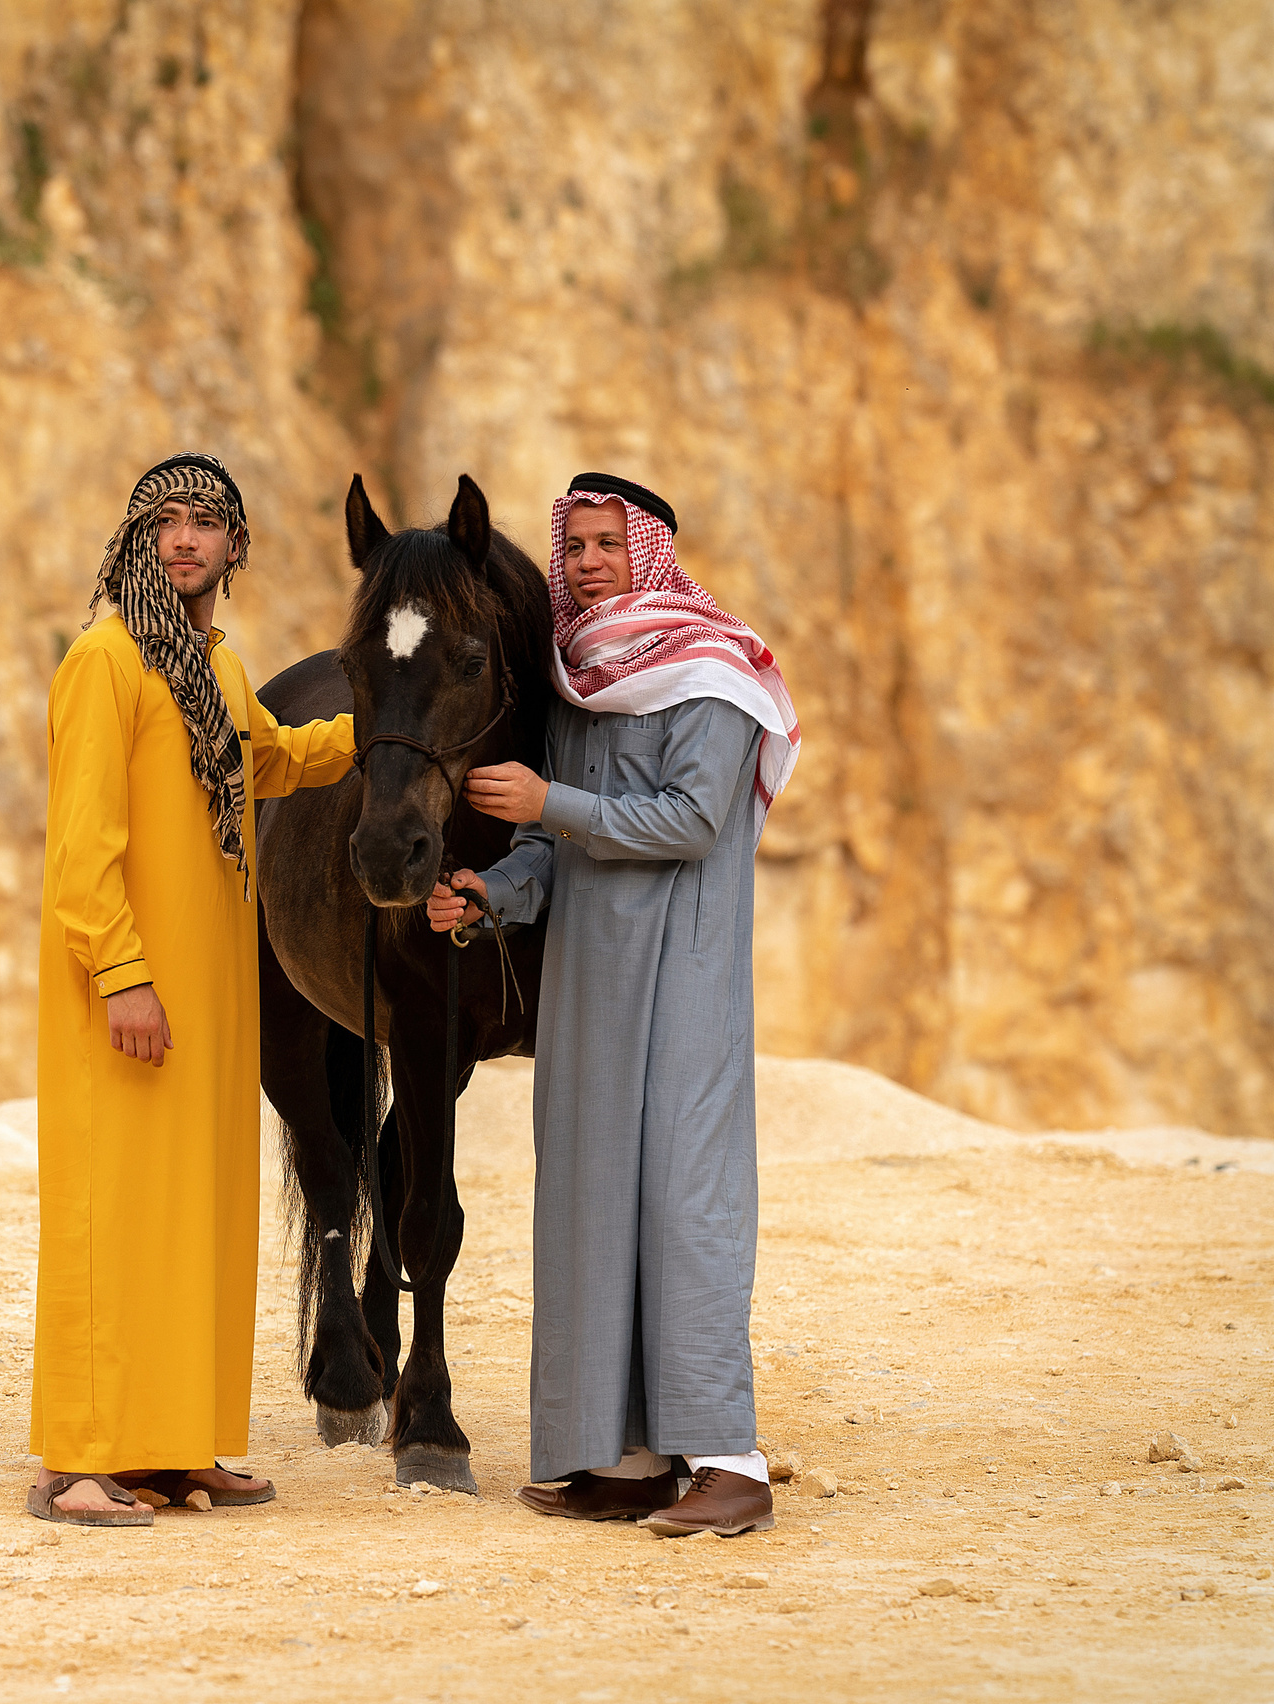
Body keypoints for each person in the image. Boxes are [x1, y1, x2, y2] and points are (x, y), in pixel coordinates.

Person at [426, 473, 802, 1539]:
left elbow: (687, 820)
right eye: (574, 546)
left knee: (684, 1204)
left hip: (678, 981)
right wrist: (492, 893)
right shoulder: (577, 675)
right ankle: (630, 1460)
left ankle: (729, 1461)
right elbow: (553, 846)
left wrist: (550, 801)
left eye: (606, 543)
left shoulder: (713, 669)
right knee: (593, 1211)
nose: (588, 561)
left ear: (649, 549)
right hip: (585, 991)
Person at [28, 453, 359, 1526]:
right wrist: (122, 974)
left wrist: (392, 726)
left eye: (205, 523)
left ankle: (173, 1450)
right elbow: (81, 849)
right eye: (163, 522)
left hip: (210, 995)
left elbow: (272, 759)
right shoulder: (105, 660)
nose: (183, 540)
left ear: (234, 547)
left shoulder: (212, 668)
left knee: (193, 1219)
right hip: (127, 988)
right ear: (135, 539)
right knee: (113, 1215)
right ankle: (79, 1459)